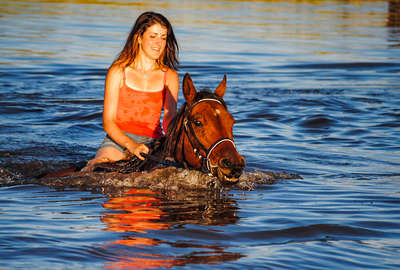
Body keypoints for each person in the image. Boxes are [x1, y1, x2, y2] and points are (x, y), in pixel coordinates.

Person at [85, 11, 179, 170]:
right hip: (118, 141)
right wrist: (132, 146)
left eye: (163, 37)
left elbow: (169, 120)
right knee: (100, 169)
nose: (159, 43)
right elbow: (108, 122)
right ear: (139, 37)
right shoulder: (117, 71)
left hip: (154, 143)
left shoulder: (170, 76)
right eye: (153, 36)